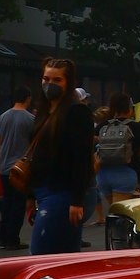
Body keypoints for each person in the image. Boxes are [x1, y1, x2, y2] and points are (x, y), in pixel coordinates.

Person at [27, 58, 96, 255]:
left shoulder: (77, 112)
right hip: (44, 189)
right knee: (64, 255)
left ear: (68, 83)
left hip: (63, 192)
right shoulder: (44, 111)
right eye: (46, 78)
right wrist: (31, 195)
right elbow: (36, 153)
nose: (50, 84)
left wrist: (77, 201)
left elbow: (81, 157)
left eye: (57, 80)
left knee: (41, 254)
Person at [0, 86, 34, 249]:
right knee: (18, 204)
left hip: (3, 165)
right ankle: (13, 239)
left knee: (7, 202)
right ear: (28, 99)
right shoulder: (30, 119)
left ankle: (2, 237)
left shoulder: (2, 117)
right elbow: (33, 145)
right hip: (19, 168)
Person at [94, 92, 140, 210]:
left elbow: (94, 147)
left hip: (103, 175)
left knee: (113, 210)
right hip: (126, 173)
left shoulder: (102, 126)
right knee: (121, 214)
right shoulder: (137, 127)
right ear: (129, 107)